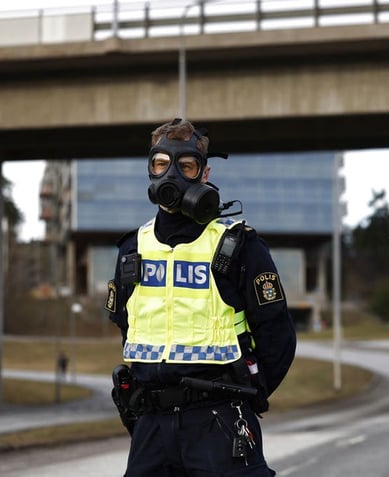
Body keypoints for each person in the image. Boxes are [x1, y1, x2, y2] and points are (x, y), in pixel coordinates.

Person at [104, 118, 297, 477]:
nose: (170, 175)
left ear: (204, 173)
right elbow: (126, 328)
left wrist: (247, 393)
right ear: (150, 170)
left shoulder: (239, 246)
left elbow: (278, 337)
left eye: (185, 165)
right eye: (161, 164)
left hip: (219, 421)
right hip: (152, 427)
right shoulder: (132, 249)